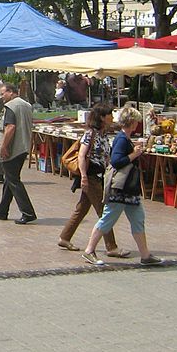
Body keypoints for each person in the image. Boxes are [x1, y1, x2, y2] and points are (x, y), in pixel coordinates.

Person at [81, 105, 163, 266]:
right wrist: (135, 154)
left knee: (138, 219)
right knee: (108, 219)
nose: (137, 125)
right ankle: (89, 250)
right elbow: (116, 161)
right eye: (136, 122)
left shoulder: (124, 138)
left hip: (128, 189)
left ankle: (145, 255)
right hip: (119, 189)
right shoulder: (121, 138)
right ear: (131, 122)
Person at [57, 104, 130, 257]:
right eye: (109, 114)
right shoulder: (90, 134)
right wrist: (83, 176)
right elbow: (82, 156)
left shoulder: (103, 133)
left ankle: (64, 237)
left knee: (82, 208)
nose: (112, 117)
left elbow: (105, 155)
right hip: (91, 177)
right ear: (102, 117)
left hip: (99, 176)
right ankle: (111, 247)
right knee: (104, 212)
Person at [0, 82, 37, 224]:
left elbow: (10, 127)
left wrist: (3, 146)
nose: (1, 97)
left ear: (11, 92)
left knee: (13, 180)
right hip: (23, 146)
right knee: (10, 179)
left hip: (13, 148)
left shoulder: (11, 106)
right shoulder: (26, 105)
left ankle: (28, 212)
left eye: (3, 93)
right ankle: (2, 210)